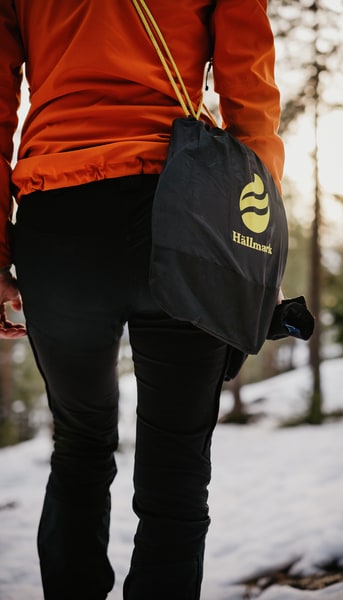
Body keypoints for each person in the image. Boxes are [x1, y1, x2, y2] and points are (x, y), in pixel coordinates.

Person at [0, 1, 284, 598]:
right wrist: (256, 242)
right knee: (177, 465)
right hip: (184, 209)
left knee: (79, 443)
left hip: (59, 212)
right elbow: (249, 88)